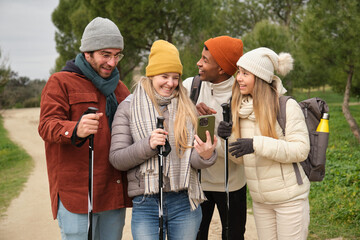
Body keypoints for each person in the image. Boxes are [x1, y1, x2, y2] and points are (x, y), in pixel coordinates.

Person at [109, 39, 218, 240]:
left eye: (175, 77)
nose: (171, 83)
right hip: (145, 203)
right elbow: (117, 159)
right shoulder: (128, 107)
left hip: (184, 202)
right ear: (151, 75)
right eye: (164, 76)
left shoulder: (187, 106)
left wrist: (206, 154)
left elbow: (192, 160)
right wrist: (148, 145)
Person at [38, 17, 132, 240]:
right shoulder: (60, 82)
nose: (112, 62)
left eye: (117, 55)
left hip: (112, 191)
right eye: (106, 55)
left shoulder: (120, 88)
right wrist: (75, 128)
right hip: (77, 194)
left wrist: (191, 107)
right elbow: (46, 125)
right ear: (88, 53)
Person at [217, 47, 311, 240]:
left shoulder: (285, 106)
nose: (238, 78)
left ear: (259, 77)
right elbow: (242, 160)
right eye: (238, 73)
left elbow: (300, 150)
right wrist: (226, 140)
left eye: (245, 74)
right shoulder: (241, 109)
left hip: (289, 200)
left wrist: (256, 144)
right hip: (260, 201)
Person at [182, 36, 247, 240]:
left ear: (221, 69)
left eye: (205, 60)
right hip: (196, 183)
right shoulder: (190, 86)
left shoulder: (243, 95)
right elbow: (173, 127)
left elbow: (241, 154)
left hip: (232, 184)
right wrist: (191, 112)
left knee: (234, 236)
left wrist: (223, 135)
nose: (198, 63)